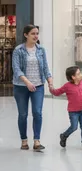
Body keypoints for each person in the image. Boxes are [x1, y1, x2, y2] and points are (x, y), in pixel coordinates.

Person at [12, 24, 54, 152]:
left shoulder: (41, 50)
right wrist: (27, 82)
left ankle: (37, 141)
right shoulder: (18, 50)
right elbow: (16, 69)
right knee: (23, 114)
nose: (36, 36)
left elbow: (45, 67)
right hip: (21, 87)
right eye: (33, 34)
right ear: (26, 35)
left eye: (37, 33)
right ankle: (24, 140)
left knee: (37, 112)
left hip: (38, 86)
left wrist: (50, 81)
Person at [53, 66, 82, 151]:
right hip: (73, 111)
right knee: (74, 127)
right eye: (78, 73)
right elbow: (57, 92)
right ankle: (64, 135)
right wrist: (51, 89)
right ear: (73, 77)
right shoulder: (67, 86)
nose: (81, 75)